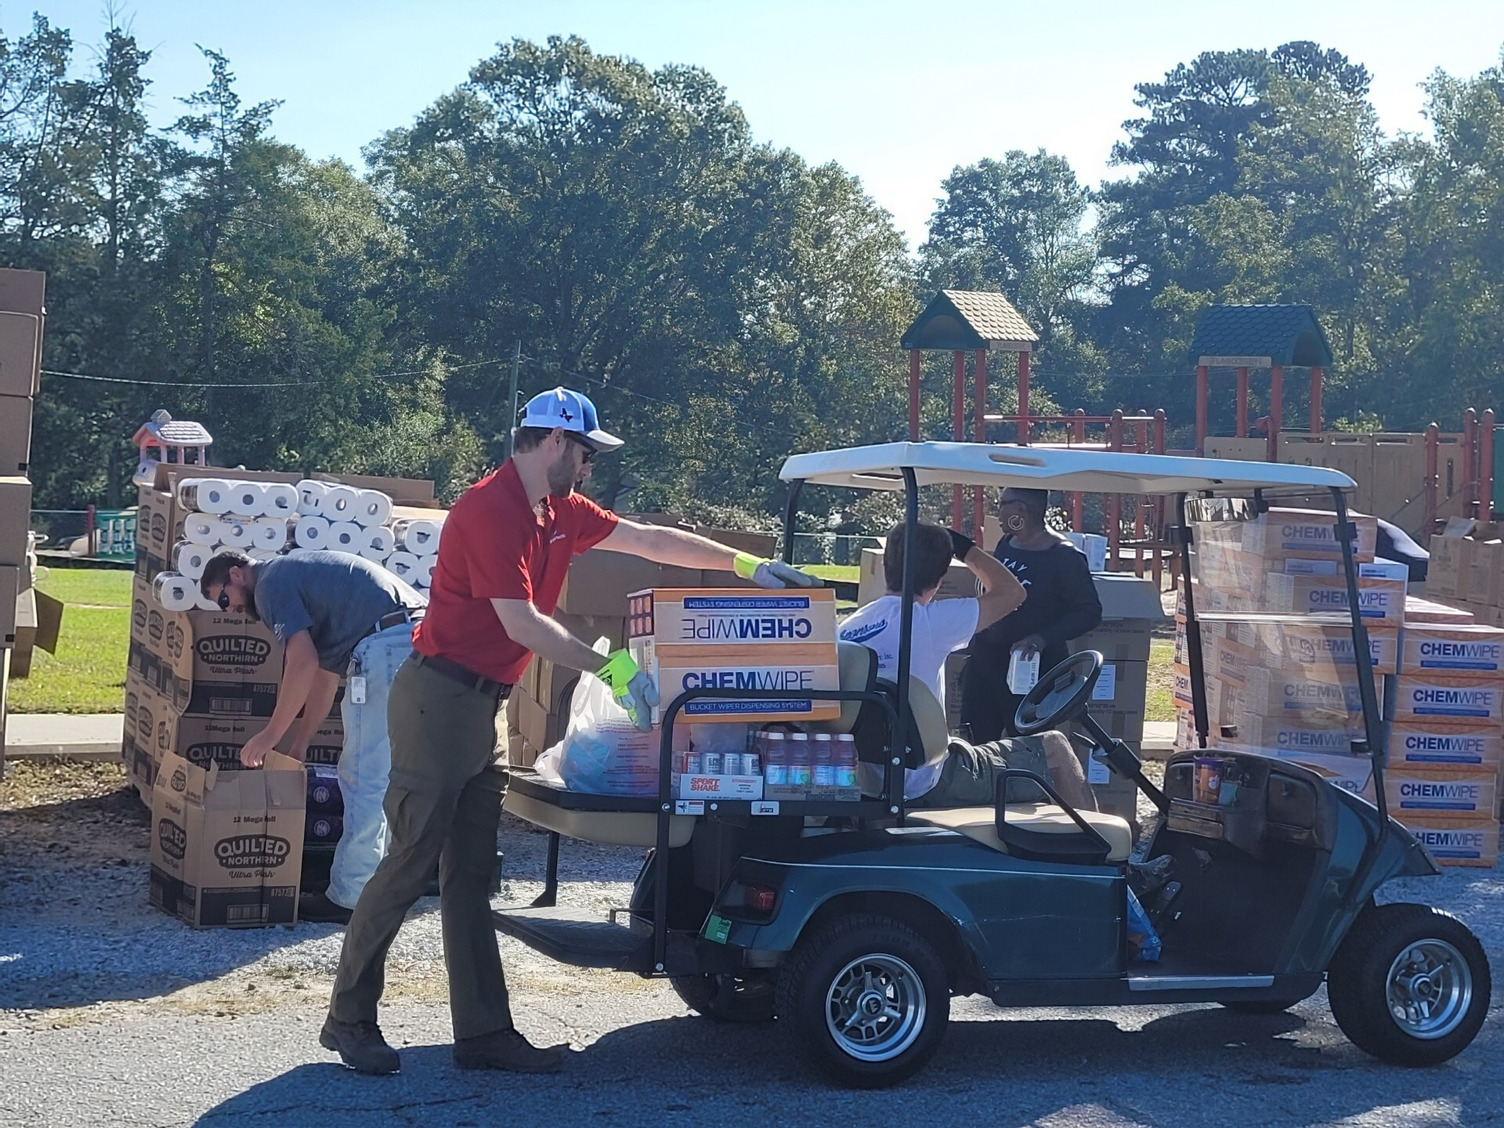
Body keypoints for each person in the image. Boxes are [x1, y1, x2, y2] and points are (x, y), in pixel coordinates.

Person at [321, 386, 817, 1077]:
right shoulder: (489, 509)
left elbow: (647, 538)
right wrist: (611, 669)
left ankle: (484, 1034)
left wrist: (746, 565)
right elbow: (519, 621)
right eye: (585, 453)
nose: (588, 467)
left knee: (470, 875)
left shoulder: (556, 510)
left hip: (480, 703)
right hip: (439, 698)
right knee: (409, 862)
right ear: (554, 442)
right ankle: (347, 1017)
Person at [198, 548, 426, 925]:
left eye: (224, 599)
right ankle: (381, 887)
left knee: (362, 777)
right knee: (390, 775)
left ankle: (352, 898)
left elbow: (301, 662)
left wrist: (269, 735)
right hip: (411, 641)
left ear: (236, 574)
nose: (231, 611)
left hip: (386, 646)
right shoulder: (295, 576)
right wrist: (300, 741)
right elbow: (323, 674)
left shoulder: (270, 584)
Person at [838, 521, 1094, 811]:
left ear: (886, 566)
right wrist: (966, 551)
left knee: (965, 746)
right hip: (928, 781)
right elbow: (1013, 593)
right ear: (940, 577)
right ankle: (1103, 847)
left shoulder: (849, 627)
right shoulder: (928, 621)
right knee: (1056, 747)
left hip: (872, 781)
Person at [960, 487, 1103, 744]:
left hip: (1031, 670)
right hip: (986, 662)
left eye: (1002, 504)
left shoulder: (1063, 556)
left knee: (1028, 746)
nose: (998, 512)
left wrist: (1041, 638)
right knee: (976, 741)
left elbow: (1088, 612)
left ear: (1020, 509)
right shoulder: (1007, 544)